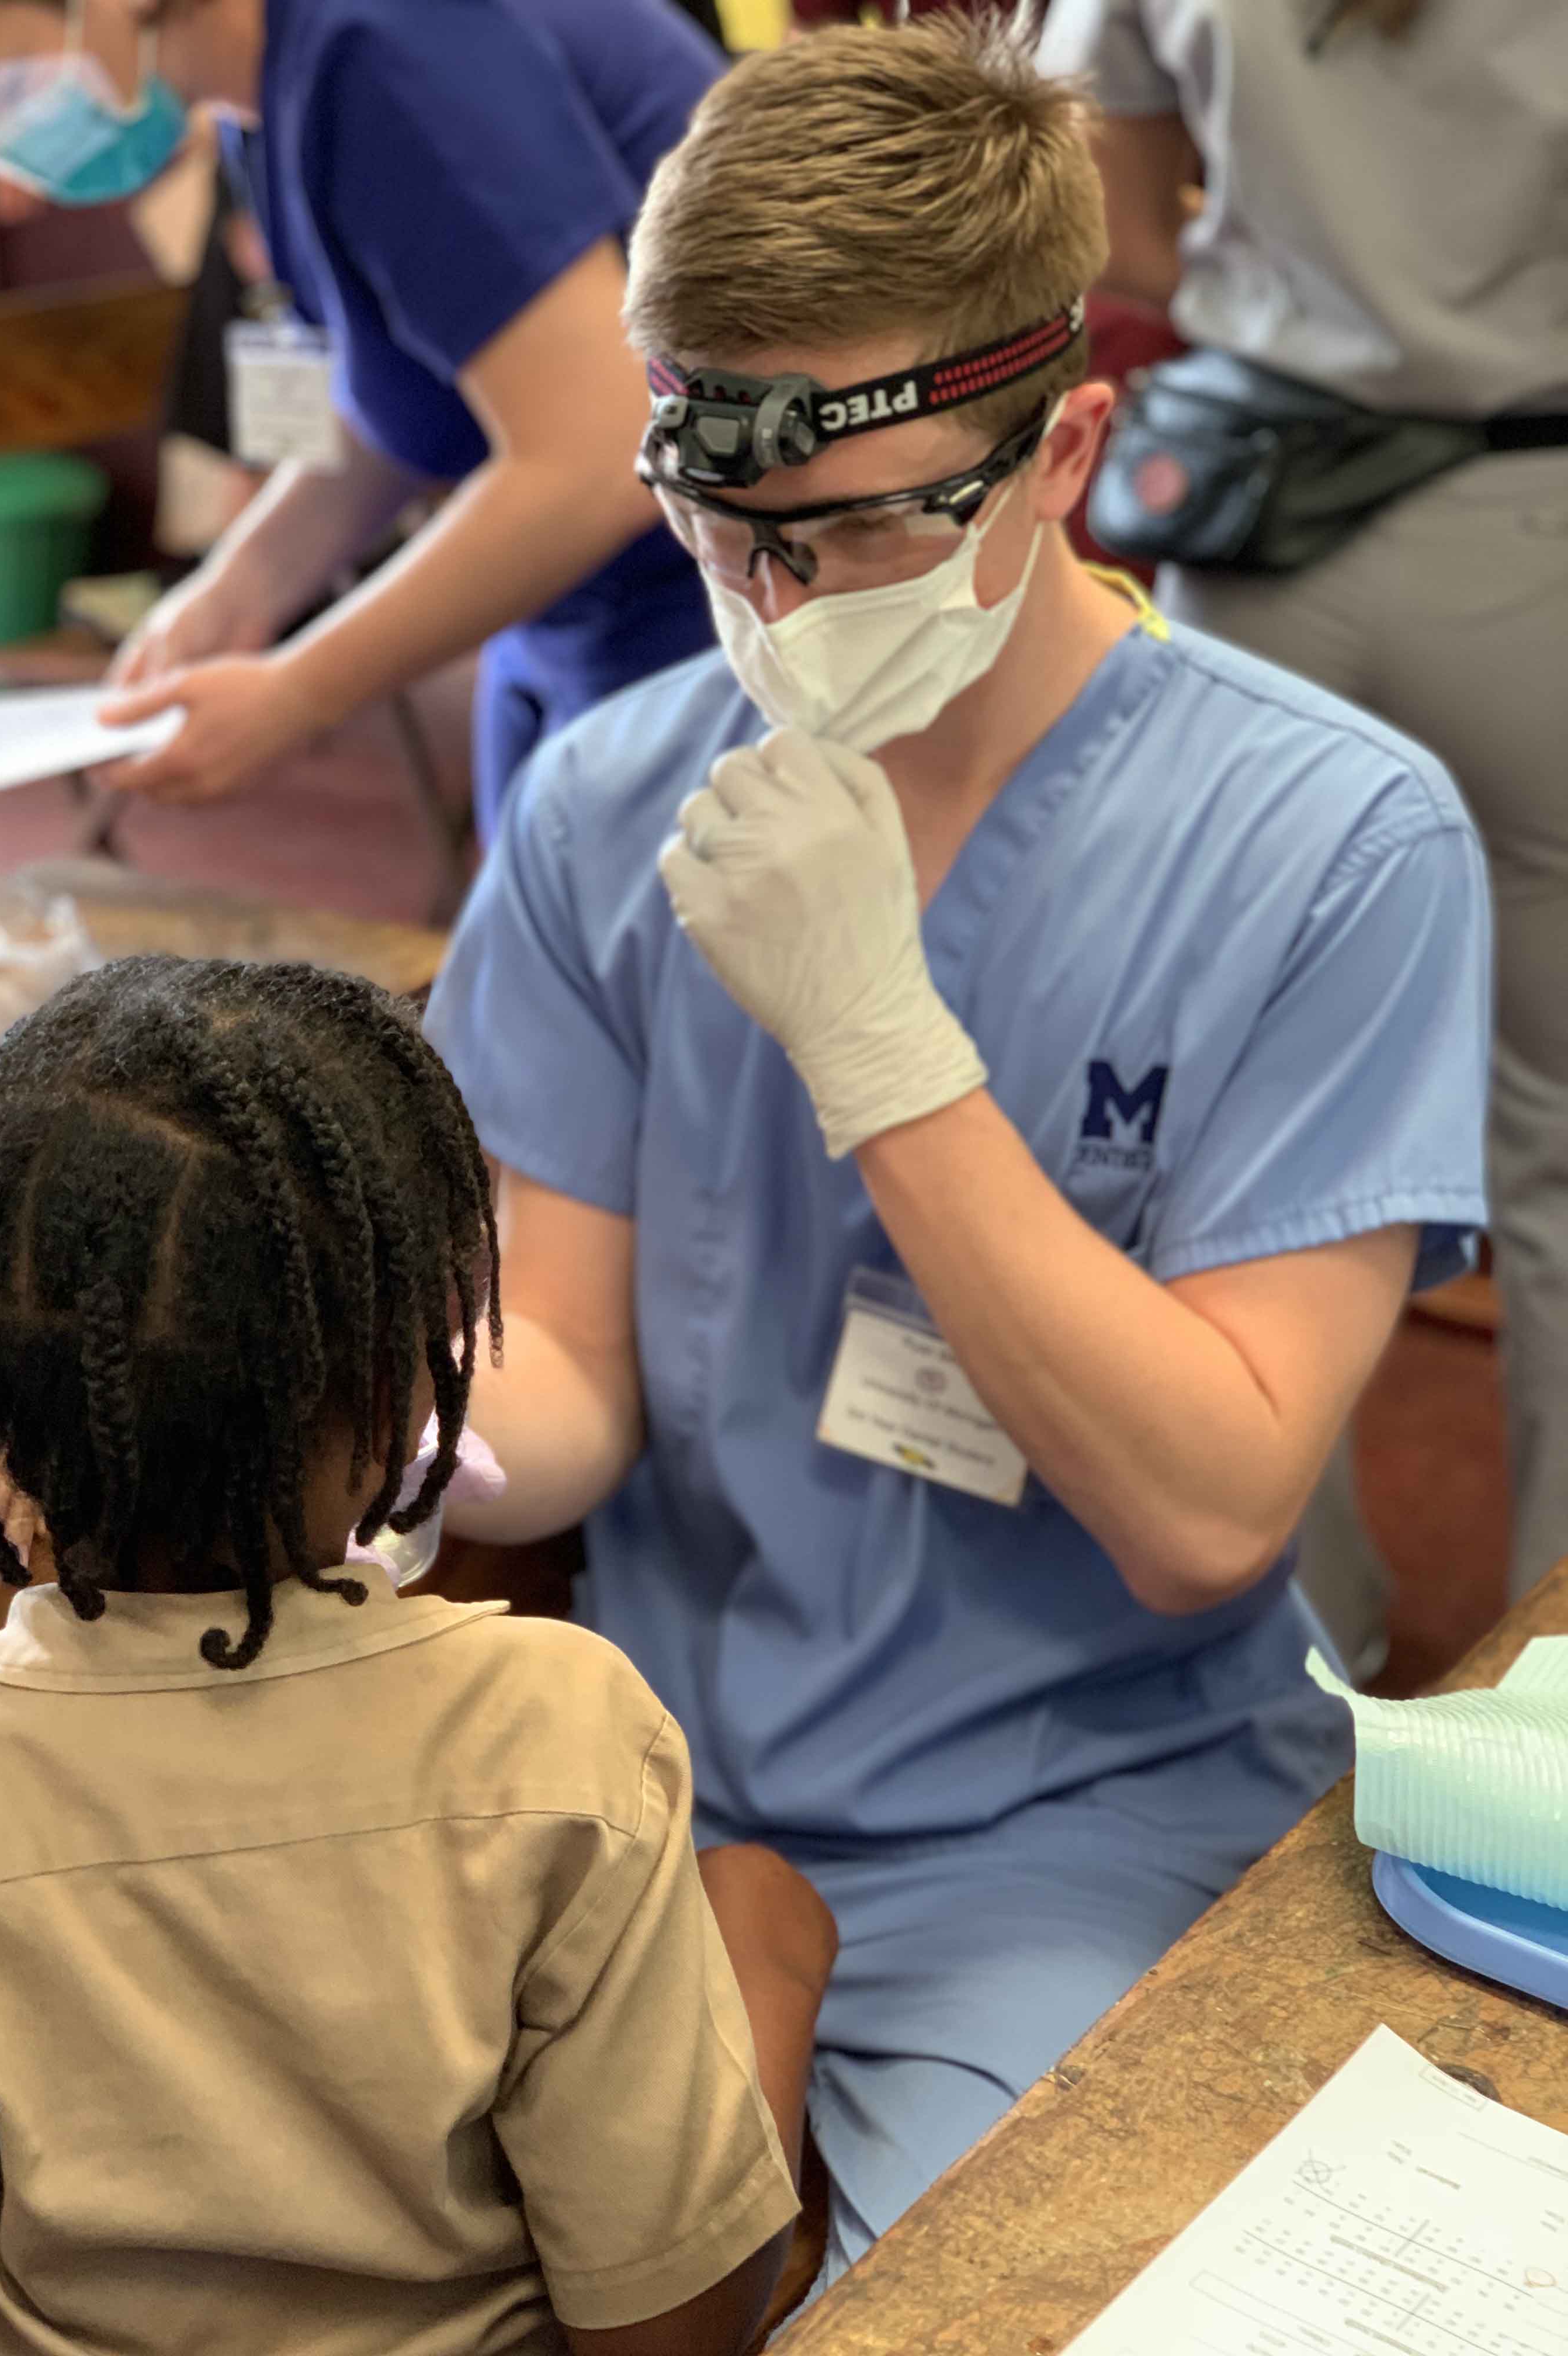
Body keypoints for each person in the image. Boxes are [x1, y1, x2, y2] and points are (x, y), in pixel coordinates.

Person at [409, 15, 1489, 2286]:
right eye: (722, 531)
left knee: (984, 2315)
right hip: (640, 1780)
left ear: (1066, 444)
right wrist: (380, 1436)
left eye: (852, 530)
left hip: (1066, 1818)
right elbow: (573, 1404)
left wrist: (880, 1040)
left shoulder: (1326, 842)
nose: (778, 614)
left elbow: (1212, 1512)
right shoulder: (614, 804)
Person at [0, 956, 823, 2354]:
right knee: (765, 1912)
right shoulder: (564, 1738)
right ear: (414, 1382)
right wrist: (772, 1985)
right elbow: (673, 2329)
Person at [1038, 0, 1568, 1640]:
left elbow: (1096, 218)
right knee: (1557, 1152)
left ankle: (1299, 1658)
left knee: (1232, 1127)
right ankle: (1556, 1683)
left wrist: (1286, 298)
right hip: (1529, 538)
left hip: (1260, 539)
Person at [0, 0, 725, 842]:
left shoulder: (390, 53)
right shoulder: (261, 98)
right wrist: (240, 588)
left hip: (722, 615)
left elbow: (599, 454)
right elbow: (408, 400)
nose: (11, 128)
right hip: (583, 618)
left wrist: (304, 691)